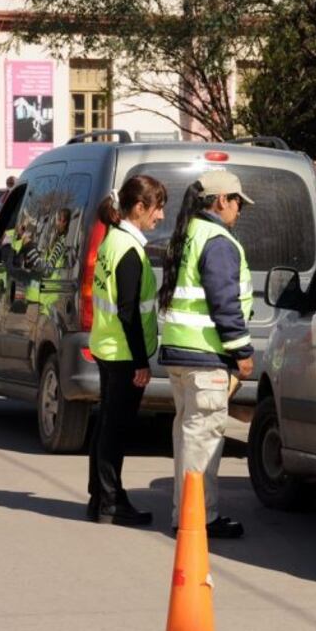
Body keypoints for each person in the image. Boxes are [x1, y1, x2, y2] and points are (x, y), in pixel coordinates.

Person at [157, 170, 255, 539]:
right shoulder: (217, 240)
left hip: (182, 354)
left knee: (187, 438)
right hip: (206, 357)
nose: (240, 210)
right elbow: (224, 302)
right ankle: (199, 519)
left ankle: (184, 514)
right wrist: (241, 351)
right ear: (220, 201)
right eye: (237, 201)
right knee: (204, 440)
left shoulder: (187, 234)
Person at [88, 175, 167, 526]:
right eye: (157, 207)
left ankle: (102, 497)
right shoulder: (129, 250)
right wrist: (141, 361)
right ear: (139, 207)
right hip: (122, 353)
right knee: (115, 430)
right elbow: (129, 310)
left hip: (108, 347)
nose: (161, 216)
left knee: (107, 426)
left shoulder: (113, 240)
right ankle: (110, 501)